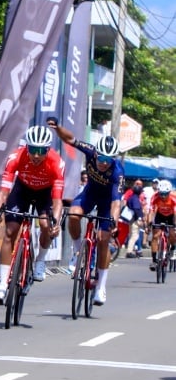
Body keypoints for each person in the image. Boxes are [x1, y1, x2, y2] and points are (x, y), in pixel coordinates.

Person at [49, 120, 123, 306]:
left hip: (107, 202)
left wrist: (113, 221)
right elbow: (70, 139)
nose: (104, 163)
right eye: (101, 159)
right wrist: (58, 128)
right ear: (95, 153)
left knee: (103, 238)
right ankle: (77, 250)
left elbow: (116, 202)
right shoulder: (90, 150)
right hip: (89, 194)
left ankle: (101, 287)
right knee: (73, 215)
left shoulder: (117, 172)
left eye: (108, 160)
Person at [0, 126, 64, 305]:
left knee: (46, 225)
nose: (36, 155)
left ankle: (40, 260)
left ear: (48, 149)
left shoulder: (57, 163)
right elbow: (3, 191)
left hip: (44, 193)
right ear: (26, 147)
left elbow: (57, 201)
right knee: (10, 232)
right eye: (33, 150)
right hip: (22, 190)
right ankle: (1, 285)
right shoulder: (16, 157)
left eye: (41, 151)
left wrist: (56, 222)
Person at [146, 179, 176, 270]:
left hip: (172, 216)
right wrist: (149, 224)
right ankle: (154, 261)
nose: (163, 196)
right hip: (160, 215)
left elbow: (175, 214)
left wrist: (174, 225)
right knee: (155, 236)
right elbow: (150, 211)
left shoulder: (173, 198)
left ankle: (173, 248)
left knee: (172, 234)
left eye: (165, 194)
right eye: (161, 194)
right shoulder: (155, 197)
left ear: (169, 192)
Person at [123, 179, 145, 258]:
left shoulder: (131, 197)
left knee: (132, 235)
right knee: (134, 236)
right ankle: (129, 251)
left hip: (131, 219)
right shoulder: (135, 198)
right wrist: (140, 218)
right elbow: (137, 209)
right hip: (135, 219)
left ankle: (131, 250)